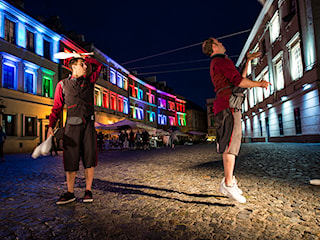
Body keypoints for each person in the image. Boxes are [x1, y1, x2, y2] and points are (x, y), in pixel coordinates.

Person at [202, 37, 270, 203]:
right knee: (231, 145)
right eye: (220, 43)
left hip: (226, 105)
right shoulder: (221, 61)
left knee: (231, 144)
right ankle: (228, 183)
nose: (223, 44)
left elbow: (238, 80)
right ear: (214, 47)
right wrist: (259, 84)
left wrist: (247, 62)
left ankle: (229, 180)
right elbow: (239, 81)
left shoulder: (218, 63)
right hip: (229, 106)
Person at [47, 53, 102, 205]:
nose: (86, 66)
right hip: (71, 127)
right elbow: (57, 107)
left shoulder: (90, 81)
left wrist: (81, 55)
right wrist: (51, 125)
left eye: (85, 64)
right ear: (73, 67)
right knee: (70, 159)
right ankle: (70, 192)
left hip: (88, 126)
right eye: (82, 64)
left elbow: (98, 65)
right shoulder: (62, 85)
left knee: (89, 158)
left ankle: (88, 190)